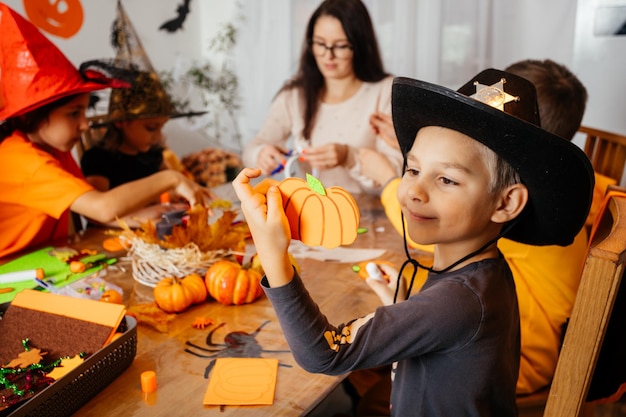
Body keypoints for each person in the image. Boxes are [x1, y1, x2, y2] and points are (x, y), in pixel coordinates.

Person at [233, 69, 594, 415]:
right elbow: (448, 330)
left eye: (447, 180)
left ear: (505, 203)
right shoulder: (483, 272)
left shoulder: (458, 302)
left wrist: (273, 255)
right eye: (413, 169)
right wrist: (406, 305)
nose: (414, 192)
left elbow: (324, 354)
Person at [354, 60, 598, 407]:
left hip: (508, 366)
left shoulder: (515, 218)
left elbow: (426, 223)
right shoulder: (564, 206)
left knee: (371, 393)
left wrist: (390, 179)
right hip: (495, 342)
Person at [0, 3, 212, 258]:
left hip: (45, 258)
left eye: (85, 112)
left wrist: (141, 217)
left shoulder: (53, 150)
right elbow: (101, 208)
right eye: (73, 114)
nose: (85, 124)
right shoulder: (23, 162)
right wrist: (172, 178)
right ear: (36, 116)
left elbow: (92, 211)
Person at [241, 0, 402, 195]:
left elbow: (397, 175)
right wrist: (262, 154)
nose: (328, 56)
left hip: (374, 214)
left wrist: (349, 157)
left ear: (359, 45)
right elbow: (251, 150)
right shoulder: (295, 96)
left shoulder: (386, 92)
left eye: (340, 46)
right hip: (313, 213)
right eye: (320, 44)